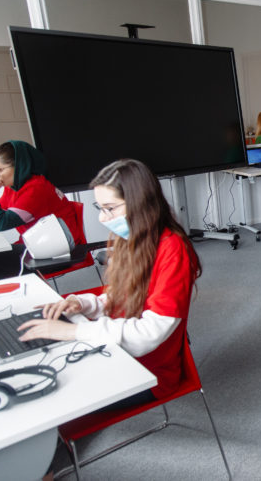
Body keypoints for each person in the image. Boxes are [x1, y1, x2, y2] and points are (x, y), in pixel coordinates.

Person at [18, 159, 202, 407]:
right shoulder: (133, 238)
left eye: (110, 208)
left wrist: (73, 332)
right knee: (37, 377)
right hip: (119, 355)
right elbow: (122, 296)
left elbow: (150, 333)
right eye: (100, 207)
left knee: (47, 398)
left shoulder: (173, 249)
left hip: (147, 374)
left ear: (139, 203)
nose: (103, 218)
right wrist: (84, 304)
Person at [0, 140, 81, 283]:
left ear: (19, 166)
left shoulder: (36, 189)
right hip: (36, 245)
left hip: (56, 250)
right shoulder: (15, 186)